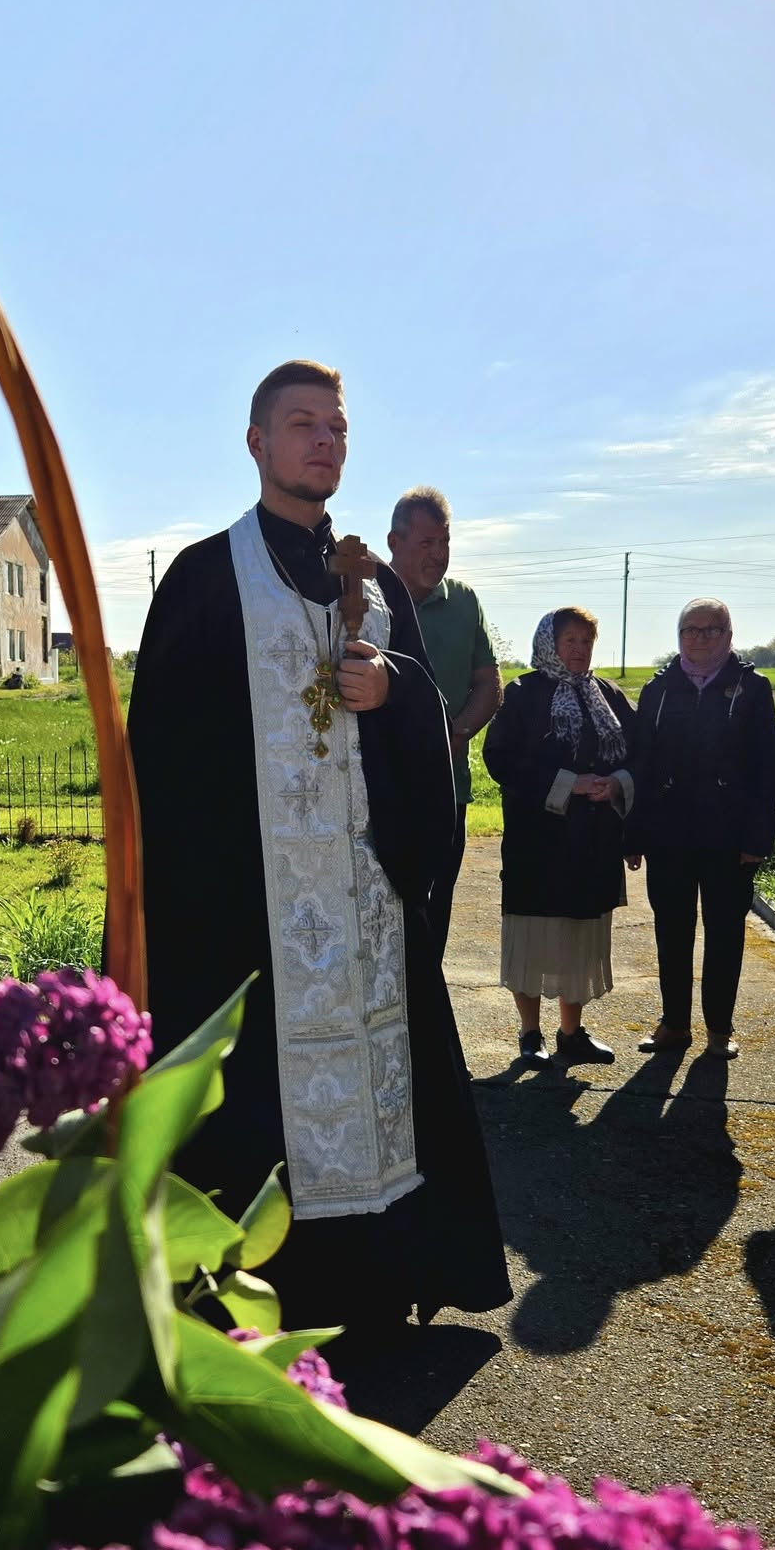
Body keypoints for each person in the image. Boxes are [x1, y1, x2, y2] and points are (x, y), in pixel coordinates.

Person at [128, 360, 511, 1339]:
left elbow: (429, 709)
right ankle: (254, 1296)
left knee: (385, 1085)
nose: (324, 440)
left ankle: (379, 1285)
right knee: (256, 1101)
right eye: (302, 423)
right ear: (257, 442)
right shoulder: (204, 577)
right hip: (252, 909)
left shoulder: (373, 584)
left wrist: (392, 692)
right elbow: (160, 755)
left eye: (336, 426)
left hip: (367, 899)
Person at [624, 598, 775, 1059]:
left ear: (729, 636)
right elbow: (641, 765)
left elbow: (767, 768)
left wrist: (757, 837)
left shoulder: (752, 689)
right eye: (690, 629)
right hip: (668, 835)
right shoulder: (658, 690)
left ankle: (719, 1028)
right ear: (679, 636)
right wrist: (633, 834)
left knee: (725, 933)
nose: (700, 637)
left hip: (730, 836)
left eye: (712, 629)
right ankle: (674, 1024)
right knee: (672, 932)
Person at [482, 606, 635, 1066]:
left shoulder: (607, 695)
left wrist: (617, 783)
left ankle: (571, 1034)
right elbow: (501, 760)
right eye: (569, 640)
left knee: (579, 938)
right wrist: (569, 783)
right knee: (532, 936)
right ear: (549, 643)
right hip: (538, 842)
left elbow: (640, 753)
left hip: (593, 841)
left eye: (586, 641)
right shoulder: (522, 694)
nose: (579, 650)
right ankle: (530, 1034)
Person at [386, 487, 502, 962]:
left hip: (447, 791)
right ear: (394, 543)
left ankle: (428, 1008)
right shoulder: (364, 599)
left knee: (434, 916)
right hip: (382, 794)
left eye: (445, 542)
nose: (439, 554)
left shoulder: (464, 602)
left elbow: (489, 684)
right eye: (427, 543)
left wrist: (456, 734)